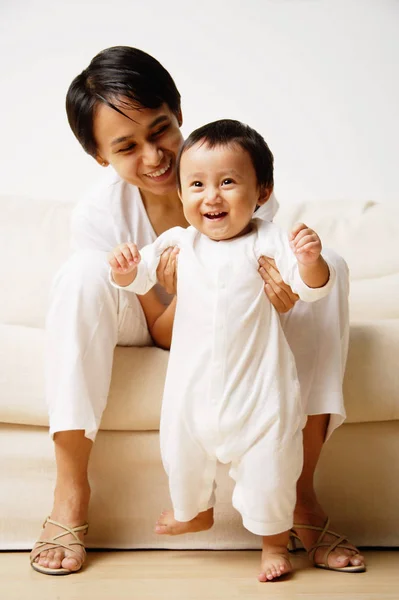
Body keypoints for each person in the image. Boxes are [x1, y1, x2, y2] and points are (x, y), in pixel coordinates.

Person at [30, 46, 365, 575]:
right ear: (101, 157)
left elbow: (252, 303)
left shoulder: (230, 179)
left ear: (179, 111)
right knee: (79, 274)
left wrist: (285, 297)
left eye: (160, 129)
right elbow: (166, 333)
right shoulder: (100, 214)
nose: (154, 156)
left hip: (231, 325)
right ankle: (69, 497)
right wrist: (185, 290)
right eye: (126, 146)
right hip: (148, 322)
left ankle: (300, 495)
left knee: (334, 264)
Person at [108, 118, 340, 581]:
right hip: (191, 392)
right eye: (196, 184)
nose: (210, 196)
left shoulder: (269, 239)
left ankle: (273, 543)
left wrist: (312, 263)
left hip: (260, 394)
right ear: (180, 193)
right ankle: (195, 512)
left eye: (227, 182)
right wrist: (124, 270)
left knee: (271, 468)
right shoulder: (178, 242)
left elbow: (310, 291)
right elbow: (140, 280)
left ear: (262, 192)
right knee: (180, 454)